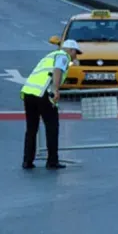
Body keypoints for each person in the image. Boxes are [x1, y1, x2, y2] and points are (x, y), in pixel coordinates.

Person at [20, 39, 82, 170]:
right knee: (52, 127)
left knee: (31, 129)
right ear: (71, 50)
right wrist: (55, 89)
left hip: (28, 93)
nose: (76, 55)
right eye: (76, 52)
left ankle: (27, 161)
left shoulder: (49, 56)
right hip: (44, 93)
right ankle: (52, 161)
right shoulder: (63, 56)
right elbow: (58, 70)